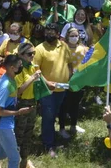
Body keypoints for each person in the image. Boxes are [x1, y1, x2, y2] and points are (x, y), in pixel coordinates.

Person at [0, 55, 33, 168]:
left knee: (2, 153)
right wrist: (18, 112)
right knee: (15, 158)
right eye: (20, 65)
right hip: (2, 126)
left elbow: (15, 93)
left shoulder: (10, 79)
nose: (22, 67)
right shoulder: (5, 84)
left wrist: (32, 79)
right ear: (12, 67)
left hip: (6, 124)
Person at [33, 23, 70, 157]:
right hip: (47, 90)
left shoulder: (64, 46)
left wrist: (70, 77)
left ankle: (50, 138)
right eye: (47, 31)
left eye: (52, 31)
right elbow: (35, 70)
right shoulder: (39, 49)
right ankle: (48, 145)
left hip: (62, 89)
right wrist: (47, 83)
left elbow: (69, 63)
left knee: (53, 115)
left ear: (58, 33)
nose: (49, 33)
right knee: (48, 117)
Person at [13, 42, 42, 168]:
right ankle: (14, 160)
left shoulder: (31, 66)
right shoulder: (18, 69)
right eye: (30, 54)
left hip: (32, 102)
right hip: (22, 103)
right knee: (19, 133)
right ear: (21, 55)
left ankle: (24, 161)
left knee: (28, 133)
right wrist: (33, 78)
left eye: (34, 53)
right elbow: (18, 91)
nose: (32, 56)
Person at [58, 27, 88, 139]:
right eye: (72, 36)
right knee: (63, 105)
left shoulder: (84, 49)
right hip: (65, 80)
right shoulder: (62, 48)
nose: (74, 38)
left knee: (76, 104)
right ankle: (61, 128)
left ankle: (73, 125)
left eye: (76, 36)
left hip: (79, 81)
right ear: (67, 36)